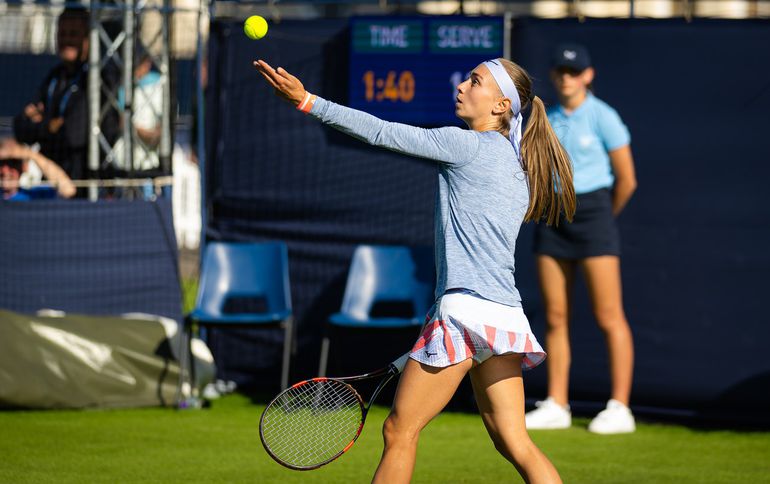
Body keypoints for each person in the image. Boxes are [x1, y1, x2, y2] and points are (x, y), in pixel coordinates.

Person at [254, 56, 575, 483]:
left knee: (399, 431)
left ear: (500, 105)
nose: (462, 86)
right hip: (504, 318)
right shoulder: (520, 166)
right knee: (513, 442)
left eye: (475, 82)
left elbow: (382, 132)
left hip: (465, 313)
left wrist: (308, 101)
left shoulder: (467, 145)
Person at [524, 43, 638, 435]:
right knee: (555, 317)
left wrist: (603, 217)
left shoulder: (604, 117)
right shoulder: (547, 118)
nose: (566, 78)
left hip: (594, 216)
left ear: (588, 76)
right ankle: (557, 403)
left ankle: (620, 406)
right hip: (553, 218)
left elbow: (627, 180)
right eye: (560, 72)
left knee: (609, 316)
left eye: (574, 72)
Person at [13, 6, 119, 187]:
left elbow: (74, 134)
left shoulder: (97, 79)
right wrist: (49, 126)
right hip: (53, 180)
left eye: (73, 34)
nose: (66, 40)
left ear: (87, 39)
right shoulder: (54, 77)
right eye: (62, 34)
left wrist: (42, 123)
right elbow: (21, 127)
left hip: (84, 182)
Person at [0, 138, 76, 200]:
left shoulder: (35, 195)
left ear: (24, 168)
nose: (5, 171)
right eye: (1, 164)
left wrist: (32, 155)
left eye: (13, 163)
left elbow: (68, 190)